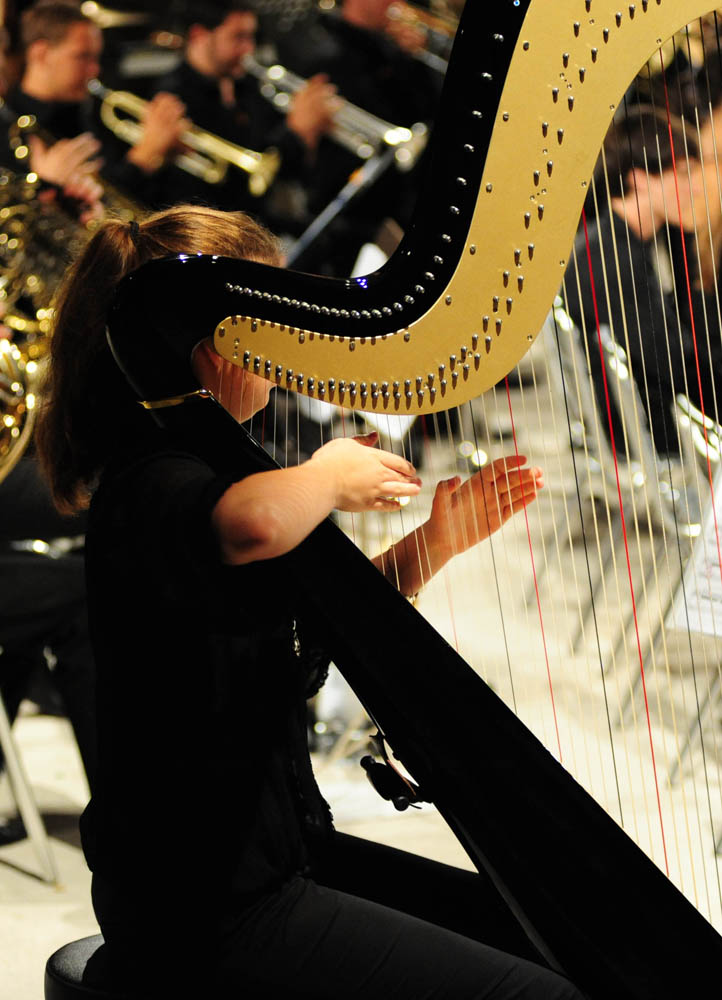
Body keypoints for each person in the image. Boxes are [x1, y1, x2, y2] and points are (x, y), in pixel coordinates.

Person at [34, 203, 585, 999]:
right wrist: (327, 475)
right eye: (274, 330)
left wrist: (435, 544)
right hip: (202, 910)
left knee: (541, 937)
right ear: (212, 349)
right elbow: (257, 525)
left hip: (281, 859)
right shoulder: (153, 478)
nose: (290, 354)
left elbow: (302, 642)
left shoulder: (211, 467)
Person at [562, 104, 722, 455]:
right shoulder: (608, 256)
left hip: (657, 412)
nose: (698, 187)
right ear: (639, 179)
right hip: (649, 431)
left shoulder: (632, 240)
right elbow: (673, 363)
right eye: (683, 173)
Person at [150, 0, 337, 223]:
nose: (249, 50)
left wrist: (309, 134)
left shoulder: (246, 86)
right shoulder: (174, 98)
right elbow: (223, 195)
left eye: (251, 37)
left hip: (263, 220)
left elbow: (279, 170)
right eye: (238, 37)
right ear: (200, 35)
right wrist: (296, 133)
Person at [0, 1, 186, 210]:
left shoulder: (91, 114)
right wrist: (142, 158)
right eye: (82, 56)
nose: (95, 69)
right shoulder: (8, 127)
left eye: (96, 57)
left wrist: (160, 159)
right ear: (40, 53)